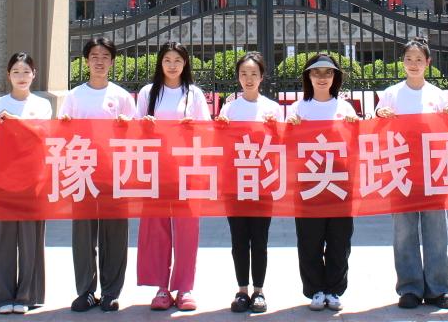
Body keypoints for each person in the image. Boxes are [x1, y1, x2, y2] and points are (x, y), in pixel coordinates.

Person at [376, 40, 448, 310]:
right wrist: (379, 114)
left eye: (419, 59)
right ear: (403, 62)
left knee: (436, 231)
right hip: (400, 169)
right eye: (409, 59)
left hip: (432, 170)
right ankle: (409, 288)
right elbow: (374, 126)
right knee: (404, 232)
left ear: (428, 63)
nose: (413, 64)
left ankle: (439, 288)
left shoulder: (437, 95)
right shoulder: (390, 94)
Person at [60, 36, 136, 312]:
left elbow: (137, 134)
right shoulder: (74, 96)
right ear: (86, 61)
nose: (99, 61)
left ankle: (111, 291)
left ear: (112, 61)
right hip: (82, 172)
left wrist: (128, 126)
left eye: (105, 56)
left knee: (114, 233)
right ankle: (86, 291)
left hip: (115, 172)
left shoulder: (122, 96)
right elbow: (62, 135)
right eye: (94, 56)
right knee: (83, 234)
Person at [135, 41, 211, 312]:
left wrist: (194, 129)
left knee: (187, 228)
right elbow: (135, 128)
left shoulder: (194, 93)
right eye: (167, 59)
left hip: (187, 168)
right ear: (160, 63)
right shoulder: (148, 93)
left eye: (177, 60)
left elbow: (207, 130)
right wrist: (145, 126)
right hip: (156, 168)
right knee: (157, 227)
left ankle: (185, 286)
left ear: (185, 63)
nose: (172, 65)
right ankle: (161, 287)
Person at [0, 51, 53, 315]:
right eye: (16, 72)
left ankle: (26, 296)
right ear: (8, 75)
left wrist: (16, 121)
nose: (21, 77)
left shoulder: (42, 104)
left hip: (32, 181)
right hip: (0, 181)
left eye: (26, 72)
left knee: (31, 241)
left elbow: (43, 136)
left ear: (34, 75)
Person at [286, 53, 358, 312]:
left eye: (328, 73)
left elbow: (357, 143)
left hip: (339, 183)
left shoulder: (345, 107)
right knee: (309, 240)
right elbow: (286, 144)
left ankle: (334, 289)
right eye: (316, 73)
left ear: (335, 77)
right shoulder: (297, 108)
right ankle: (315, 289)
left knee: (339, 240)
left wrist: (355, 126)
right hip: (308, 185)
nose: (322, 78)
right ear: (308, 77)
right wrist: (290, 127)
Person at [215, 51, 283, 314]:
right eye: (244, 73)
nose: (249, 78)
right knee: (239, 239)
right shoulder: (229, 108)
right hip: (235, 182)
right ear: (238, 77)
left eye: (254, 73)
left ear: (262, 77)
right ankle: (242, 290)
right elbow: (220, 144)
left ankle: (259, 291)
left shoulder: (272, 109)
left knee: (260, 239)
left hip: (262, 183)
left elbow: (281, 145)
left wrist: (276, 128)